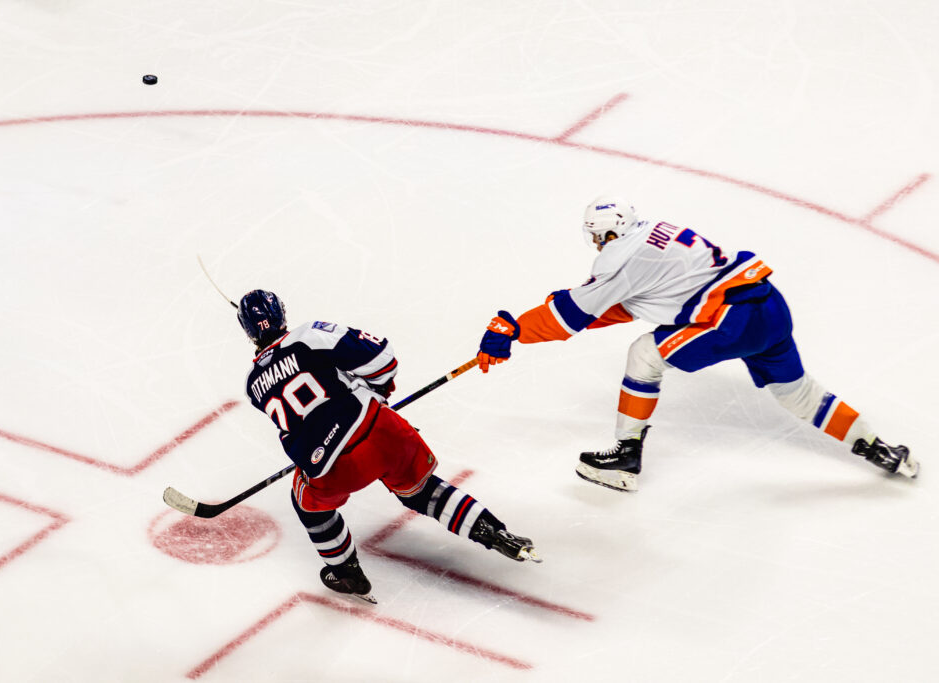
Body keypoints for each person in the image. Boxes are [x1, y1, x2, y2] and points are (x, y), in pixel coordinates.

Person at [476, 196, 919, 492]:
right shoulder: (656, 232)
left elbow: (570, 316)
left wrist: (513, 328)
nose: (594, 242)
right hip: (768, 305)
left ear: (609, 233)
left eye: (596, 234)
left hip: (729, 320)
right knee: (798, 392)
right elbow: (632, 304)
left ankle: (626, 457)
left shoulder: (620, 256)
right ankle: (877, 446)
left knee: (644, 356)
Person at [237, 289, 540, 603]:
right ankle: (495, 533)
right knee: (423, 491)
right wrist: (377, 394)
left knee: (307, 503)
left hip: (332, 466)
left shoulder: (252, 384)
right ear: (282, 313)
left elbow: (299, 425)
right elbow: (382, 359)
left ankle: (345, 572)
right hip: (380, 431)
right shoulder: (310, 335)